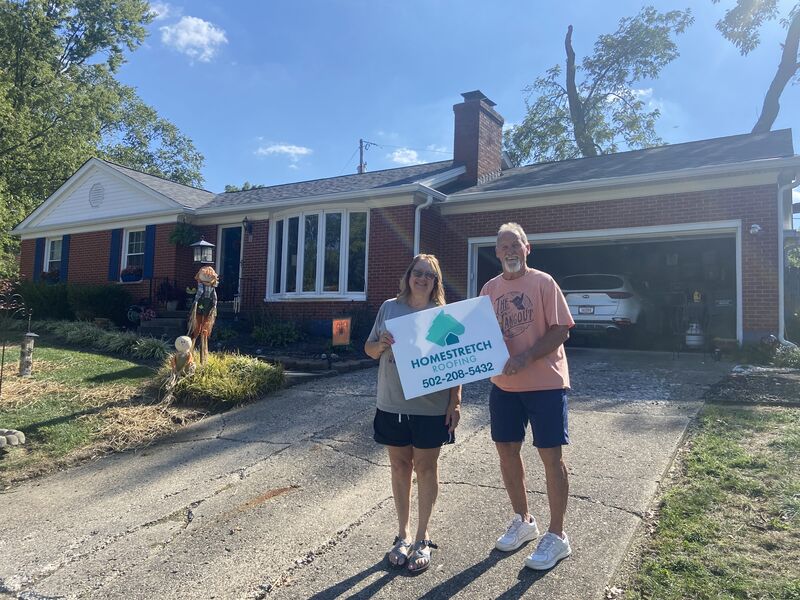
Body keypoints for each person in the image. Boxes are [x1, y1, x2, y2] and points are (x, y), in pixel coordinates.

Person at [479, 222, 575, 571]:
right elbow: (478, 334)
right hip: (504, 386)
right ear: (497, 253)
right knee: (507, 453)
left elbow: (561, 330)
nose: (510, 251)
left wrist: (526, 357)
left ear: (527, 248)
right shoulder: (489, 289)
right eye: (504, 246)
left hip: (546, 384)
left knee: (551, 456)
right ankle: (523, 521)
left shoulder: (544, 283)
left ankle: (557, 535)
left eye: (515, 244)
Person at [364, 254, 462, 574]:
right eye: (417, 272)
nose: (422, 278)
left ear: (436, 282)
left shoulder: (442, 315)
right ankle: (403, 534)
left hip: (430, 406)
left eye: (429, 275)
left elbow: (457, 362)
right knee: (399, 466)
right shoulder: (389, 308)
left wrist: (455, 402)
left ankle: (423, 536)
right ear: (408, 276)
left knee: (426, 468)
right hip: (392, 402)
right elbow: (369, 349)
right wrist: (381, 344)